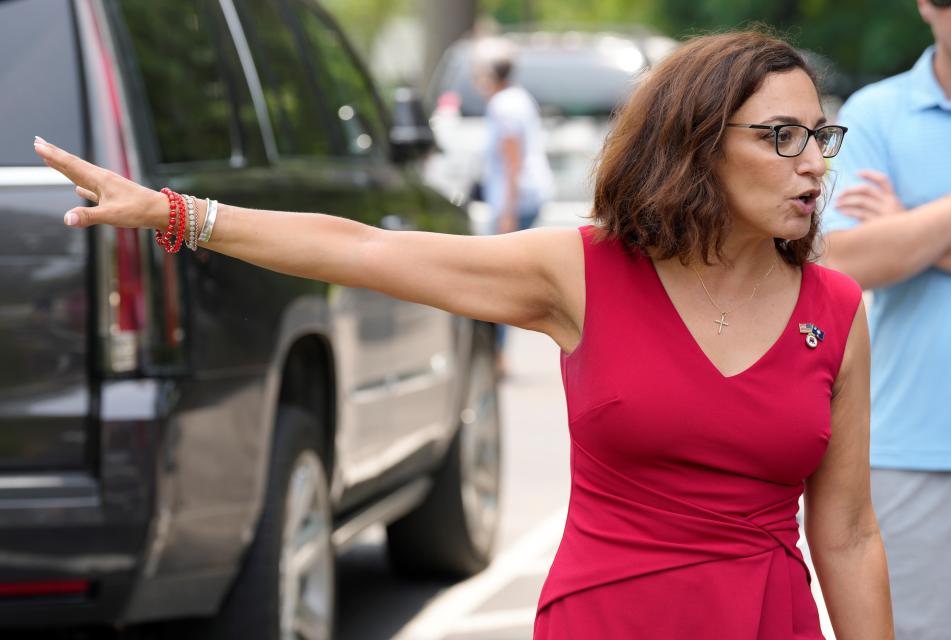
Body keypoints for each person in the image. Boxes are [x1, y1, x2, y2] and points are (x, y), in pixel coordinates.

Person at [34, 29, 893, 639]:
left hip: (765, 621)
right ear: (697, 145)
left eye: (820, 135)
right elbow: (366, 249)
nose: (814, 161)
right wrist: (181, 214)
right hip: (609, 617)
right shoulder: (582, 273)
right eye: (781, 137)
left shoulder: (836, 311)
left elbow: (848, 533)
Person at [820, 1, 951, 637]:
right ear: (925, 5)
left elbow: (882, 250)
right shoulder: (875, 113)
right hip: (912, 446)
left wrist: (909, 227)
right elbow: (840, 260)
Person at [471, 38, 554, 373]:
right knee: (505, 274)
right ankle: (498, 352)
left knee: (499, 277)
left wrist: (506, 210)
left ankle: (497, 354)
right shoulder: (520, 98)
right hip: (530, 194)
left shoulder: (503, 105)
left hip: (515, 199)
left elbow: (511, 158)